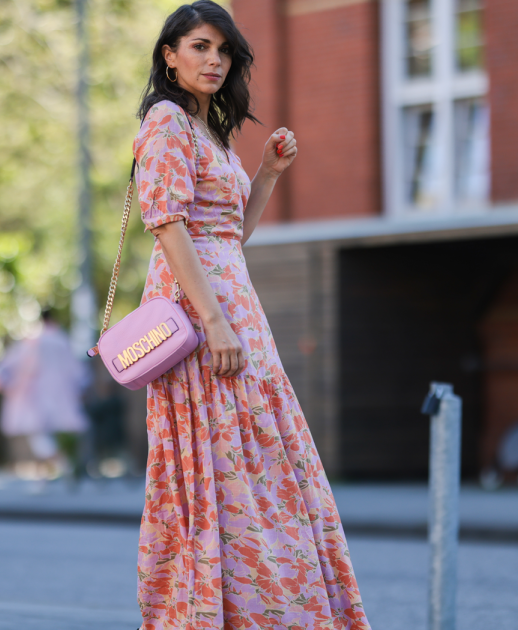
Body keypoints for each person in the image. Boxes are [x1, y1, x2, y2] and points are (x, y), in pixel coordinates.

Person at [131, 2, 371, 628]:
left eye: (224, 51)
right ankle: (216, 610)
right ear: (170, 55)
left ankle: (261, 606)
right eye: (200, 47)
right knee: (219, 460)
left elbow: (229, 234)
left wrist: (264, 173)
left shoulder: (212, 131)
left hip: (234, 305)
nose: (214, 61)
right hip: (200, 314)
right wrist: (213, 321)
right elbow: (168, 225)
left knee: (256, 458)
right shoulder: (165, 122)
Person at [0, 309, 89, 480]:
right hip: (57, 397)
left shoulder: (34, 341)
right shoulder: (61, 341)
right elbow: (78, 371)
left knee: (39, 437)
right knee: (45, 436)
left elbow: (11, 364)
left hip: (34, 397)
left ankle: (63, 466)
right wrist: (80, 389)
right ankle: (45, 477)